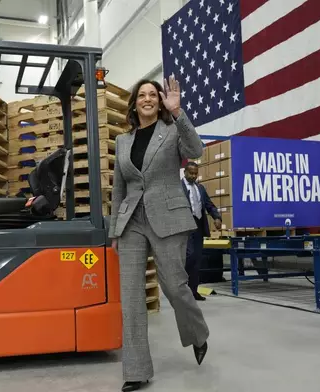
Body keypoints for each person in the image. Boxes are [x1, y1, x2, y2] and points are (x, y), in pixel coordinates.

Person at [108, 75, 210, 391]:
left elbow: (197, 150)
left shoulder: (171, 131)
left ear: (160, 101)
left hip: (168, 217)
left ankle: (198, 333)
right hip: (131, 221)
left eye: (153, 94)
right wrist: (114, 230)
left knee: (174, 286)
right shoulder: (123, 141)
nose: (148, 99)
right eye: (142, 95)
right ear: (134, 103)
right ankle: (136, 371)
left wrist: (179, 113)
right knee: (132, 296)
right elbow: (119, 187)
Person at [181, 161, 222, 300]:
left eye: (195, 174)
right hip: (184, 227)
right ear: (185, 172)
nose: (193, 176)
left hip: (198, 226)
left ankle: (193, 291)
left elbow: (209, 205)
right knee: (189, 256)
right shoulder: (177, 188)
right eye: (190, 173)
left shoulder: (200, 188)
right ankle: (182, 290)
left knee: (197, 259)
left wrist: (217, 217)